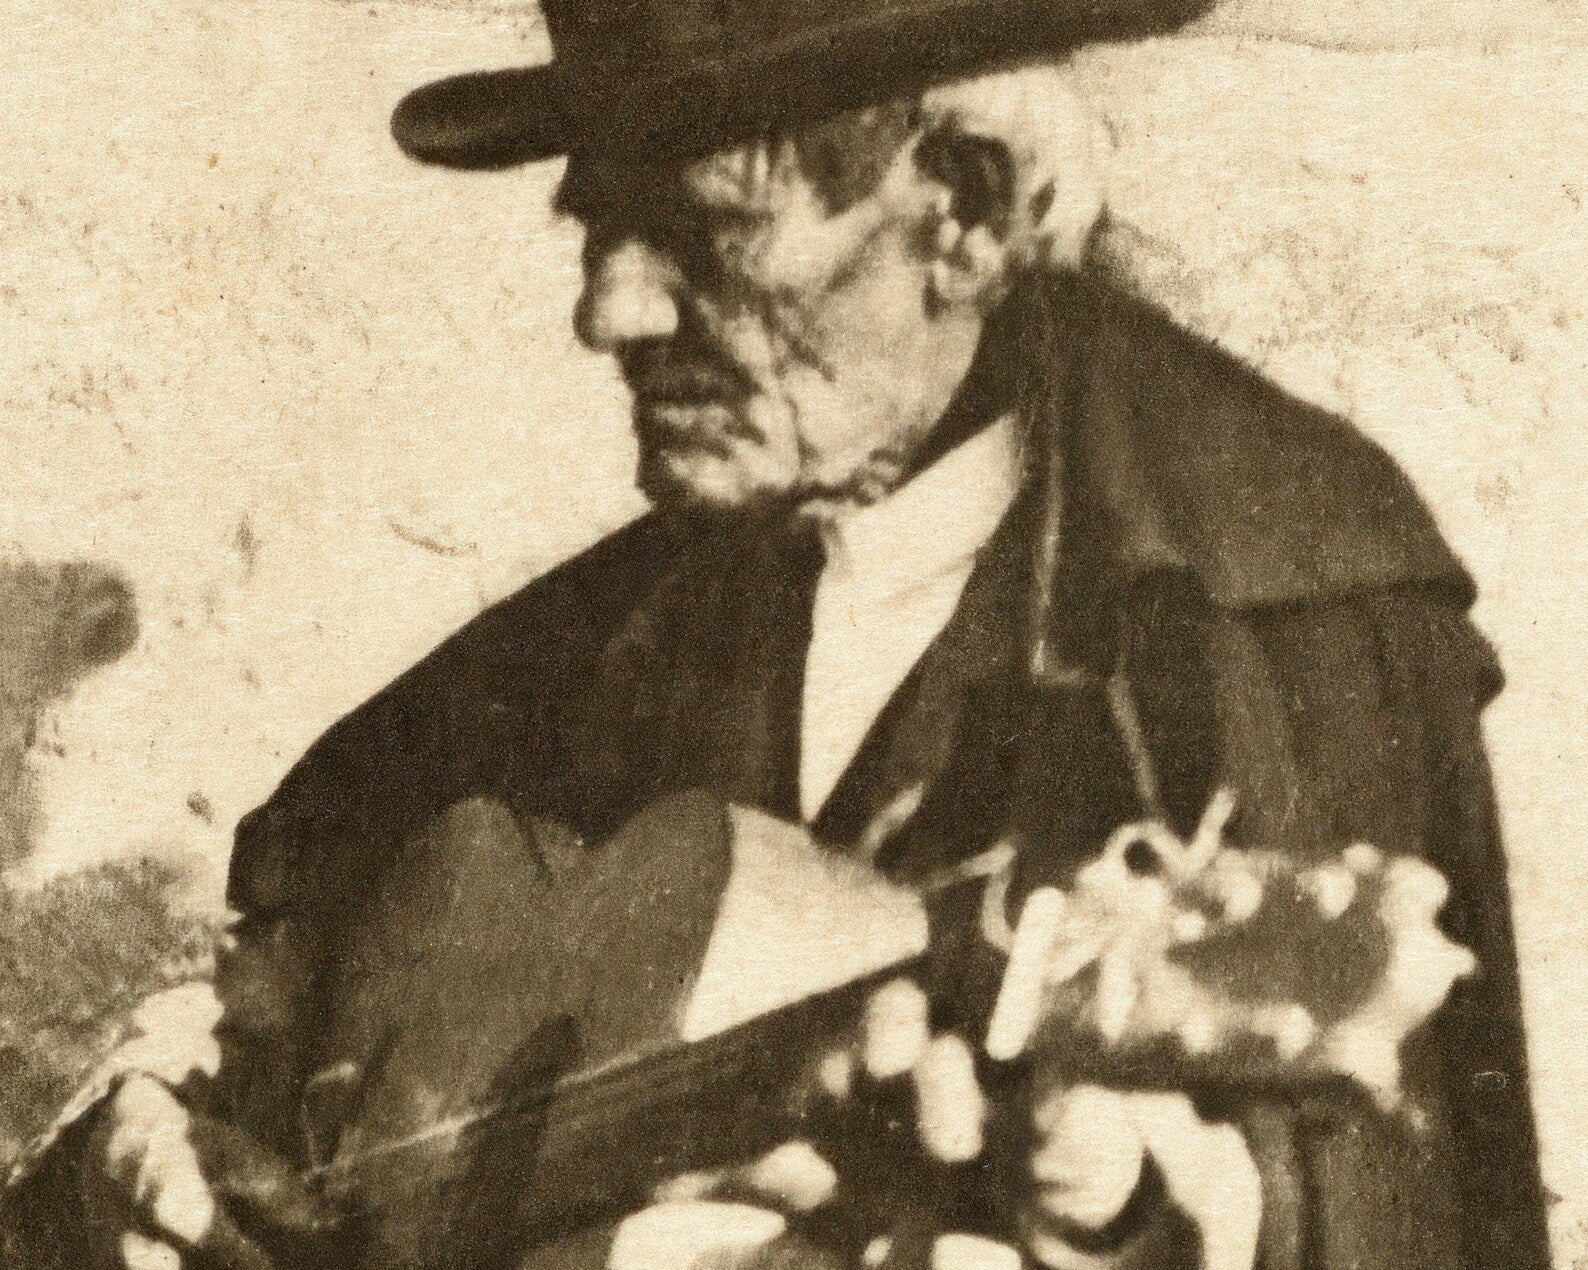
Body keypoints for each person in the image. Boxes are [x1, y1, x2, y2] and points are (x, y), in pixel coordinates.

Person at [11, 0, 1550, 1266]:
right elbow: (287, 934)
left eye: (701, 230)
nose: (610, 314)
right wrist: (150, 1125)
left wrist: (1144, 1212)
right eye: (601, 226)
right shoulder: (636, 610)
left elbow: (1402, 1216)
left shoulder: (1276, 601)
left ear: (965, 211)